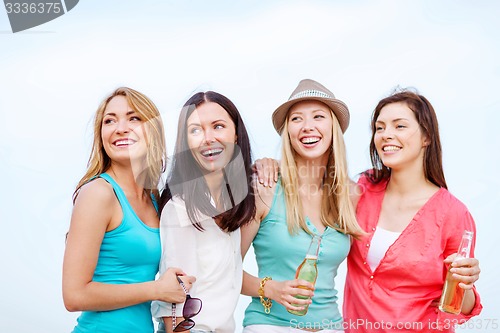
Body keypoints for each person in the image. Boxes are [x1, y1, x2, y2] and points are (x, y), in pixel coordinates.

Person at [343, 89, 482, 332]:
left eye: (399, 126)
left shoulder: (453, 214)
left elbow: (460, 306)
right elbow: (312, 187)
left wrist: (465, 284)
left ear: (426, 136)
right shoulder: (362, 190)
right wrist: (272, 165)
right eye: (380, 127)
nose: (386, 135)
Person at [62, 87, 195, 333]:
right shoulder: (98, 193)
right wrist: (157, 290)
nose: (120, 127)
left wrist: (264, 166)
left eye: (133, 118)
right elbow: (74, 295)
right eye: (109, 120)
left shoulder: (154, 199)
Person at [241, 79, 365, 333]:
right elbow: (223, 269)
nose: (308, 127)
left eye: (318, 116)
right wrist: (270, 288)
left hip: (332, 327)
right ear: (288, 131)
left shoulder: (351, 195)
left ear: (334, 127)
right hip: (269, 326)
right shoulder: (265, 187)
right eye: (296, 119)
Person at [151, 91, 256, 333]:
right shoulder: (180, 207)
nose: (207, 138)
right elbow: (174, 302)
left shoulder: (234, 202)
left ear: (236, 135)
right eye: (196, 130)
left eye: (218, 126)